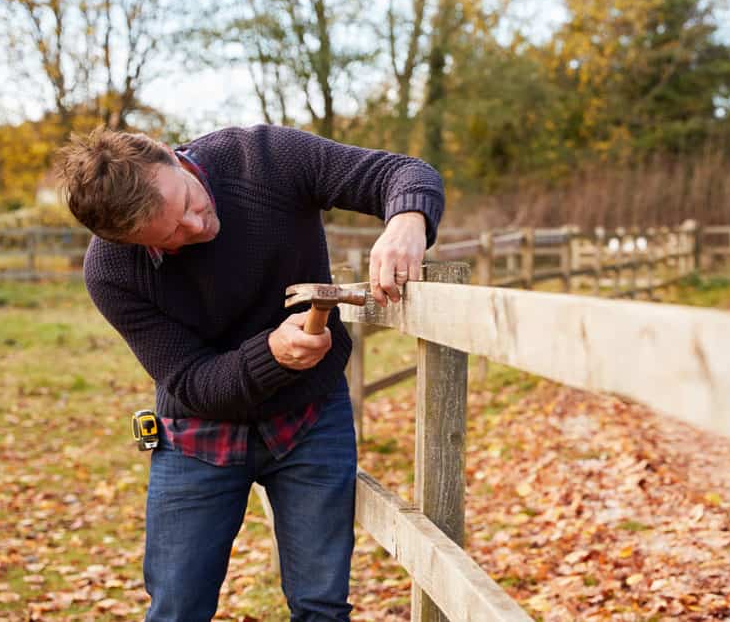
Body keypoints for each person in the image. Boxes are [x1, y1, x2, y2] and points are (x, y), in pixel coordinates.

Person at [56, 124, 444, 621]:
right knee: (177, 608)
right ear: (125, 240)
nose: (195, 227)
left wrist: (406, 221)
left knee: (320, 607)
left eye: (189, 203)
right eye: (170, 236)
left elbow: (403, 173)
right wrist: (272, 354)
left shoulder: (263, 158)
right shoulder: (111, 271)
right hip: (196, 434)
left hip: (310, 417)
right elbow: (192, 382)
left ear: (172, 158)